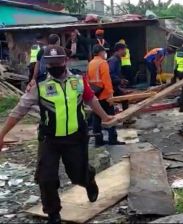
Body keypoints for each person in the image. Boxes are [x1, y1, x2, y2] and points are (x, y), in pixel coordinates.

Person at [0, 45, 114, 224]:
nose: (54, 66)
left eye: (58, 62)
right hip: (49, 139)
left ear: (65, 61)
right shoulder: (40, 84)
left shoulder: (77, 79)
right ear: (46, 63)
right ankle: (53, 214)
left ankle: (88, 179)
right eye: (50, 63)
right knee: (46, 178)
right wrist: (2, 134)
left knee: (77, 175)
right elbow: (19, 110)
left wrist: (105, 116)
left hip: (76, 137)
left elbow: (90, 98)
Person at [87, 45, 119, 147]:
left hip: (95, 93)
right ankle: (112, 139)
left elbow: (88, 78)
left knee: (97, 117)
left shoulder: (91, 63)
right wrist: (111, 94)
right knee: (110, 117)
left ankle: (98, 141)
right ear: (101, 52)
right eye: (104, 52)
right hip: (104, 94)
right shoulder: (103, 63)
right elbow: (107, 80)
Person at [108, 42, 130, 113]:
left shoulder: (117, 59)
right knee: (124, 97)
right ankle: (125, 118)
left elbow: (116, 74)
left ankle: (125, 118)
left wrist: (121, 80)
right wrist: (120, 81)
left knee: (124, 97)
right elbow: (110, 74)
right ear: (120, 50)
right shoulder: (113, 60)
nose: (125, 51)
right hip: (110, 86)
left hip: (114, 85)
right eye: (124, 50)